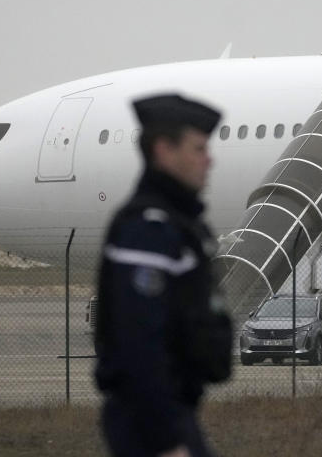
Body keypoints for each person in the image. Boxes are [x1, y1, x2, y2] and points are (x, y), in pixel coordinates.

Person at [95, 94, 232, 457]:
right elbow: (139, 344)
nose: (209, 160)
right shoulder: (148, 230)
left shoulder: (178, 223)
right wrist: (166, 439)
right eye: (199, 148)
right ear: (164, 151)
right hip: (150, 418)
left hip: (172, 409)